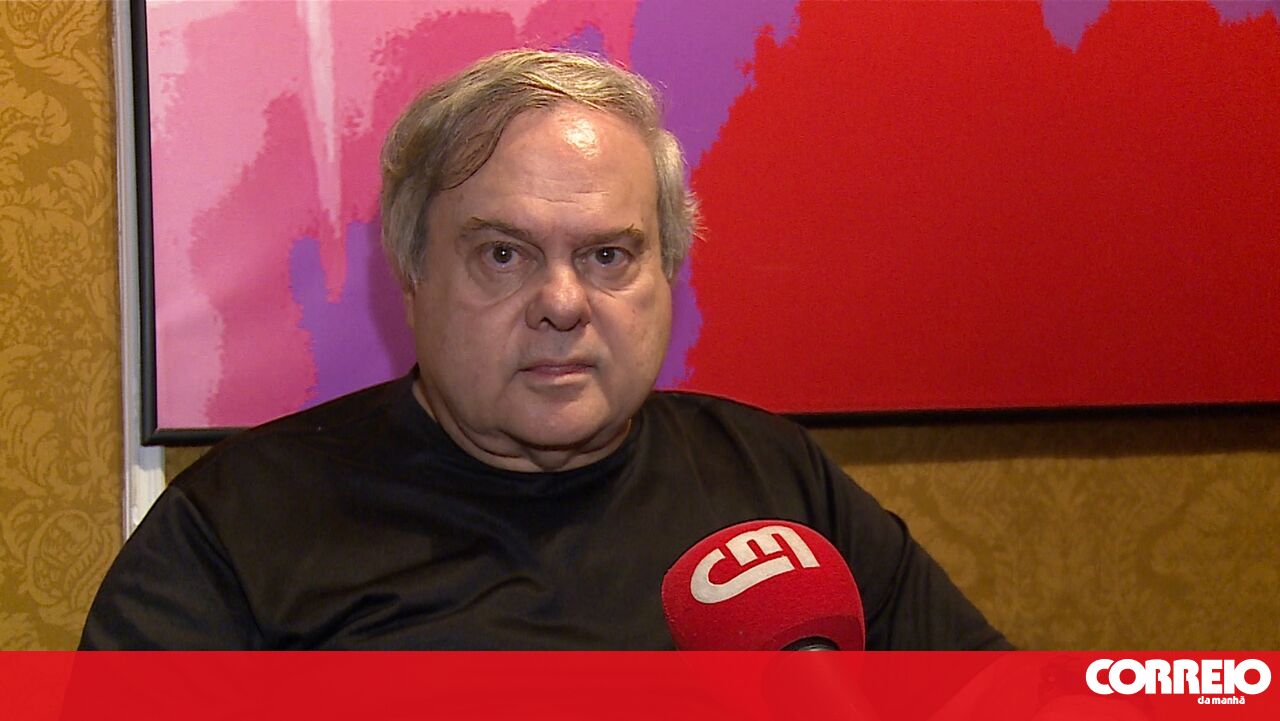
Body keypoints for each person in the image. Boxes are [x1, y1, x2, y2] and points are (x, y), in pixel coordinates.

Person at [80, 50, 1010, 650]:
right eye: (503, 255)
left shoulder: (775, 480)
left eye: (608, 256)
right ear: (412, 272)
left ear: (667, 273)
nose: (562, 304)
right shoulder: (236, 527)